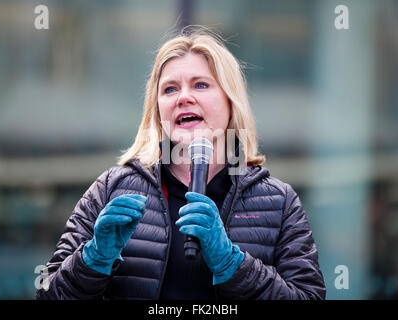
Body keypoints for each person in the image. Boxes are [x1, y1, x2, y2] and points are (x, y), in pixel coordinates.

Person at [36, 27, 326, 300]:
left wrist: (232, 263)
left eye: (201, 85)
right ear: (158, 108)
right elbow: (48, 293)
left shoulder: (279, 201)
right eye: (170, 89)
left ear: (230, 102)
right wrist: (94, 258)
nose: (184, 97)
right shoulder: (112, 188)